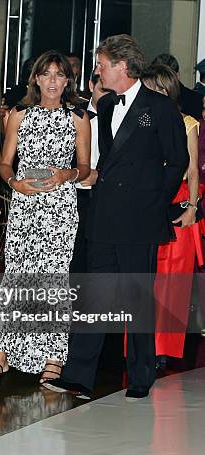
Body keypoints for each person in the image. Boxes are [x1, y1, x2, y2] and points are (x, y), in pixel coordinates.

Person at [45, 35, 188, 400]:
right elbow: (107, 158)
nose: (96, 71)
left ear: (122, 67)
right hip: (104, 215)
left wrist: (155, 205)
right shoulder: (106, 105)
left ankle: (141, 374)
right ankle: (78, 375)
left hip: (139, 219)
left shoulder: (159, 107)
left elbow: (178, 161)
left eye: (101, 64)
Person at [0, 51, 91, 384]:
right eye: (47, 75)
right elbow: (3, 163)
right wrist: (14, 182)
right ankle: (2, 355)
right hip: (25, 204)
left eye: (60, 75)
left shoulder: (79, 117)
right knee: (17, 278)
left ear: (67, 80)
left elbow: (84, 166)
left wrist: (65, 175)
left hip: (60, 207)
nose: (53, 81)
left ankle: (54, 357)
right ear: (37, 79)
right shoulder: (18, 114)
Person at [140, 64, 203, 368]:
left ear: (166, 91)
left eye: (153, 89)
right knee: (143, 276)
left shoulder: (188, 122)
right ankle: (141, 346)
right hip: (144, 201)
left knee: (174, 281)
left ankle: (163, 348)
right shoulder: (141, 119)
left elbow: (191, 170)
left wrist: (192, 206)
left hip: (176, 201)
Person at [70, 71, 106, 273]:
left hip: (104, 196)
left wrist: (99, 176)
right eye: (103, 91)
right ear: (91, 86)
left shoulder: (121, 117)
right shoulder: (71, 115)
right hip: (72, 194)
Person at [152, 53, 204, 121]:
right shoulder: (147, 97)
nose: (162, 82)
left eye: (167, 77)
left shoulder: (197, 101)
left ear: (177, 76)